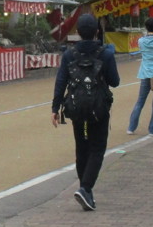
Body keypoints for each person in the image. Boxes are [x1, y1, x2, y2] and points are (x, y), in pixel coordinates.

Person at [51, 13, 120, 212]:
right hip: (99, 107)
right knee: (97, 148)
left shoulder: (69, 54)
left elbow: (61, 81)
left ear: (78, 32)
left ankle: (85, 190)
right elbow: (115, 81)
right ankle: (86, 188)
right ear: (97, 31)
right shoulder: (105, 53)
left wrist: (55, 108)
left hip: (76, 106)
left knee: (82, 148)